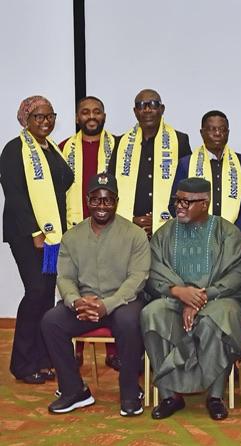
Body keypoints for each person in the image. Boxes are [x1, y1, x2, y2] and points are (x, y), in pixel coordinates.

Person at [41, 173, 150, 416]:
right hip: (85, 303)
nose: (102, 206)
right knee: (51, 321)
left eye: (108, 200)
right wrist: (75, 301)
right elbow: (65, 278)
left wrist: (106, 305)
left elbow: (137, 278)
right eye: (96, 200)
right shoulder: (72, 237)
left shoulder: (135, 235)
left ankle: (130, 391)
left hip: (122, 302)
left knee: (130, 321)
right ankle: (74, 390)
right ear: (87, 200)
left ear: (116, 202)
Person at [141, 177, 241, 421]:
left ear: (204, 203)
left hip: (218, 299)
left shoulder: (227, 232)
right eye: (177, 201)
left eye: (186, 202)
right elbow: (153, 272)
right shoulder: (165, 233)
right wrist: (179, 292)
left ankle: (215, 396)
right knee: (151, 314)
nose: (179, 206)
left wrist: (202, 296)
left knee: (218, 319)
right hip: (174, 298)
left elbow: (237, 275)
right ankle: (169, 396)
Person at [0, 96, 74, 384]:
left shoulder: (51, 148)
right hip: (28, 235)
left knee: (45, 295)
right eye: (38, 117)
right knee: (35, 292)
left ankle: (43, 358)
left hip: (52, 235)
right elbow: (15, 196)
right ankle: (23, 363)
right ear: (25, 119)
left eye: (50, 116)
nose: (45, 121)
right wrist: (35, 231)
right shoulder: (14, 149)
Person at [59, 95, 119, 370]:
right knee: (76, 284)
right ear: (77, 117)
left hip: (110, 228)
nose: (91, 116)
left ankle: (114, 350)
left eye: (97, 111)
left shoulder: (120, 147)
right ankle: (77, 348)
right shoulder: (63, 149)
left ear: (104, 116)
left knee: (110, 283)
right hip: (75, 230)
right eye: (85, 112)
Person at [108, 89, 191, 238]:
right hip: (129, 229)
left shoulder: (180, 141)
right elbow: (111, 186)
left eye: (152, 104)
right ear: (135, 111)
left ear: (162, 109)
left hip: (170, 230)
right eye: (141, 105)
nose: (147, 109)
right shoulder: (121, 143)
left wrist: (160, 220)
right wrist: (131, 219)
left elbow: (187, 187)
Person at [173, 110, 241, 233]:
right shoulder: (186, 163)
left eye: (222, 129)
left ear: (228, 132)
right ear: (202, 133)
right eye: (212, 129)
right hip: (194, 235)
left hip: (233, 237)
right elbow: (175, 202)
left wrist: (234, 232)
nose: (217, 133)